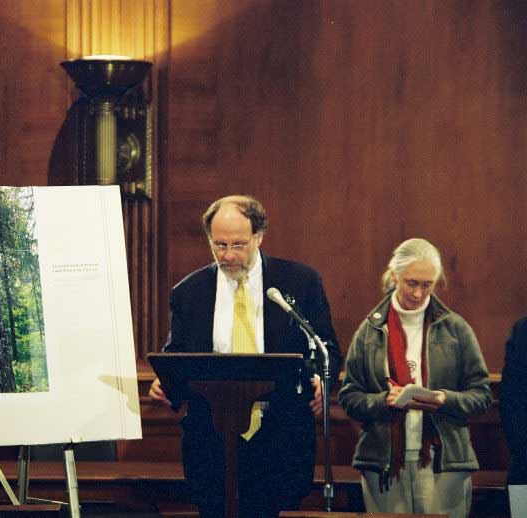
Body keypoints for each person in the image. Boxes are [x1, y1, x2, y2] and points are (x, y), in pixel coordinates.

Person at [148, 194, 341, 518]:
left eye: (238, 245)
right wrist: (164, 381)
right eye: (219, 245)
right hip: (211, 438)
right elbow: (176, 355)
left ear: (259, 237)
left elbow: (327, 348)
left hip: (280, 434)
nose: (228, 255)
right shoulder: (189, 292)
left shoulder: (299, 282)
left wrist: (324, 378)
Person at [338, 238, 492, 518]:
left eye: (427, 284)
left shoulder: (454, 328)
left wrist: (445, 399)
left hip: (442, 461)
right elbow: (349, 398)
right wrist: (385, 401)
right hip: (384, 462)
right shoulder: (370, 329)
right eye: (411, 283)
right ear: (394, 275)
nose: (419, 293)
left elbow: (482, 395)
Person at [501, 317, 527, 485]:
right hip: (524, 461)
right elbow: (510, 397)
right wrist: (521, 449)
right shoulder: (523, 329)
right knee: (521, 511)